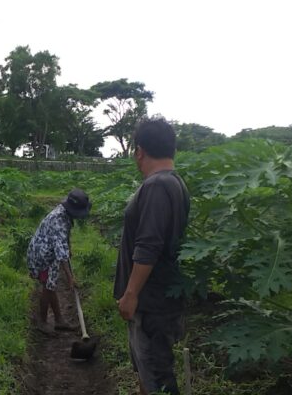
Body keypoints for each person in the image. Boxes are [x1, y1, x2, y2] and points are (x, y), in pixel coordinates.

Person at [114, 117, 190, 395]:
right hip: (159, 300)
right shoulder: (175, 183)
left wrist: (131, 293)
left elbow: (148, 247)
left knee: (157, 379)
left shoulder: (156, 186)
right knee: (150, 375)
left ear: (140, 151)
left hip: (151, 304)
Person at [27, 188, 92, 334]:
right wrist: (70, 277)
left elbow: (65, 237)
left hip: (48, 250)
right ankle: (42, 321)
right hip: (43, 256)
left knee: (50, 285)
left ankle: (59, 321)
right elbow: (61, 253)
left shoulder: (64, 213)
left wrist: (68, 246)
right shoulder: (58, 220)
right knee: (48, 287)